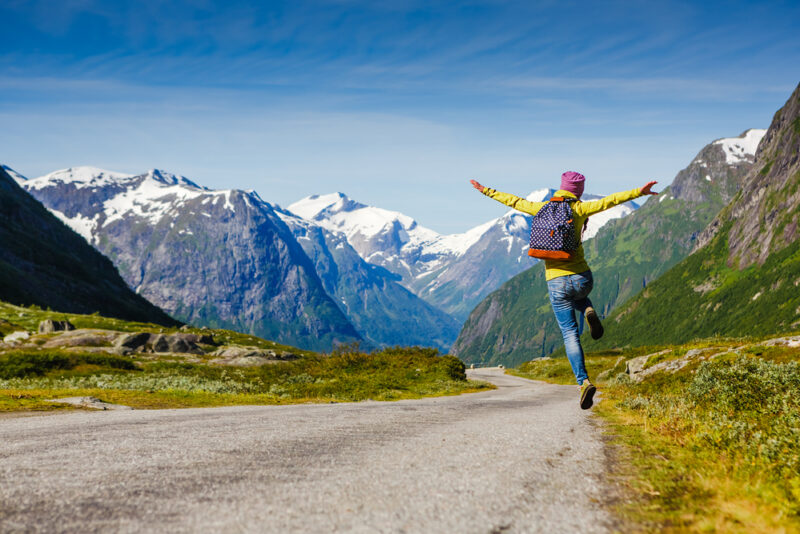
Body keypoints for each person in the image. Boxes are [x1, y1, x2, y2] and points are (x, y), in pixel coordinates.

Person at [470, 172, 658, 409]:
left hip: (556, 283)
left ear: (561, 188)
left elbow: (513, 201)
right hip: (582, 279)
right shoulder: (579, 209)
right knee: (580, 295)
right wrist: (639, 192)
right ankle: (587, 308)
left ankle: (583, 382)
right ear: (578, 191)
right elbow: (610, 200)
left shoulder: (540, 208)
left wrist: (486, 190)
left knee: (570, 334)